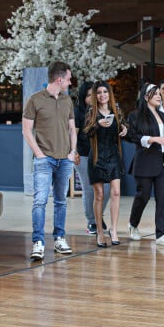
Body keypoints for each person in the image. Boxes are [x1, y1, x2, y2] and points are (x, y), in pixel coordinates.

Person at [22, 61, 76, 259]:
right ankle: (38, 242)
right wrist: (40, 154)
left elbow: (72, 128)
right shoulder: (35, 100)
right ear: (59, 79)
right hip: (44, 160)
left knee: (61, 201)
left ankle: (59, 239)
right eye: (68, 79)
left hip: (65, 160)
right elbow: (26, 130)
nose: (70, 83)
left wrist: (72, 152)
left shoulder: (67, 101)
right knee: (40, 201)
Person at [126, 84, 164, 247]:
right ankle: (133, 225)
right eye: (155, 93)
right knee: (143, 196)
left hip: (163, 161)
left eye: (159, 93)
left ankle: (161, 234)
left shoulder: (163, 116)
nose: (159, 96)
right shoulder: (135, 116)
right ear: (146, 96)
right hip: (145, 162)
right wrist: (152, 139)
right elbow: (133, 137)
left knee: (163, 199)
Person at [84, 80, 128, 247]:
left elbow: (124, 126)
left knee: (116, 192)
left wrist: (124, 129)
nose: (102, 95)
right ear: (96, 95)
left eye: (105, 92)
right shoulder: (91, 112)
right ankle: (100, 232)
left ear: (109, 94)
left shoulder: (116, 110)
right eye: (99, 92)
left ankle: (114, 230)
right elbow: (86, 132)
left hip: (113, 156)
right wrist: (97, 125)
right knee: (100, 195)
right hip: (96, 157)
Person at [74, 81, 111, 235]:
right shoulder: (77, 111)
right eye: (88, 95)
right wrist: (73, 151)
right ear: (83, 97)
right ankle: (92, 222)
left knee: (107, 189)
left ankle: (97, 216)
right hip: (82, 154)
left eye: (93, 94)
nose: (91, 97)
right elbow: (73, 133)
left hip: (101, 155)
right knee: (89, 189)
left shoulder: (101, 110)